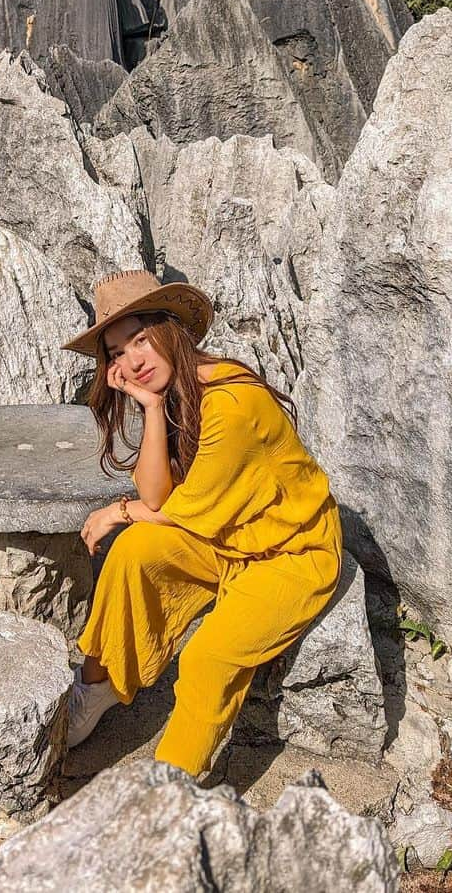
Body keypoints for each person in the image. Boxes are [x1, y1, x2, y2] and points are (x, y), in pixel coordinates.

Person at [61, 269, 343, 776]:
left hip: (289, 554)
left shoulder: (231, 404)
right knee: (131, 554)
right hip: (226, 535)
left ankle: (170, 796)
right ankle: (99, 684)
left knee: (206, 659)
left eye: (141, 339)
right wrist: (147, 408)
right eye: (118, 352)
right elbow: (157, 494)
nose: (133, 361)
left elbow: (170, 507)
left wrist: (115, 510)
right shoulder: (174, 393)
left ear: (170, 330)